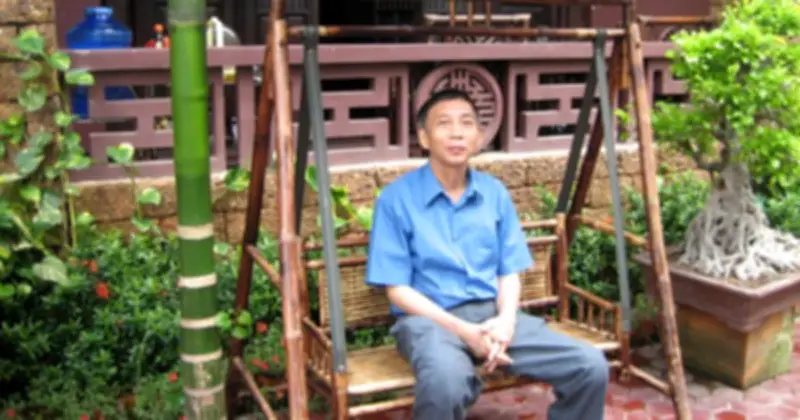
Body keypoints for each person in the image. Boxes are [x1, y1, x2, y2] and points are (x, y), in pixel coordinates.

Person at [365, 89, 609, 420]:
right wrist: (465, 332)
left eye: (466, 123)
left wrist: (506, 322)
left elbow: (509, 272)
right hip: (429, 322)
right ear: (424, 137)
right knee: (445, 384)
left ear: (479, 137)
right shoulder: (396, 200)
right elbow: (397, 290)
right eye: (444, 123)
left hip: (492, 315)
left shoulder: (494, 193)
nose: (457, 133)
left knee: (589, 366)